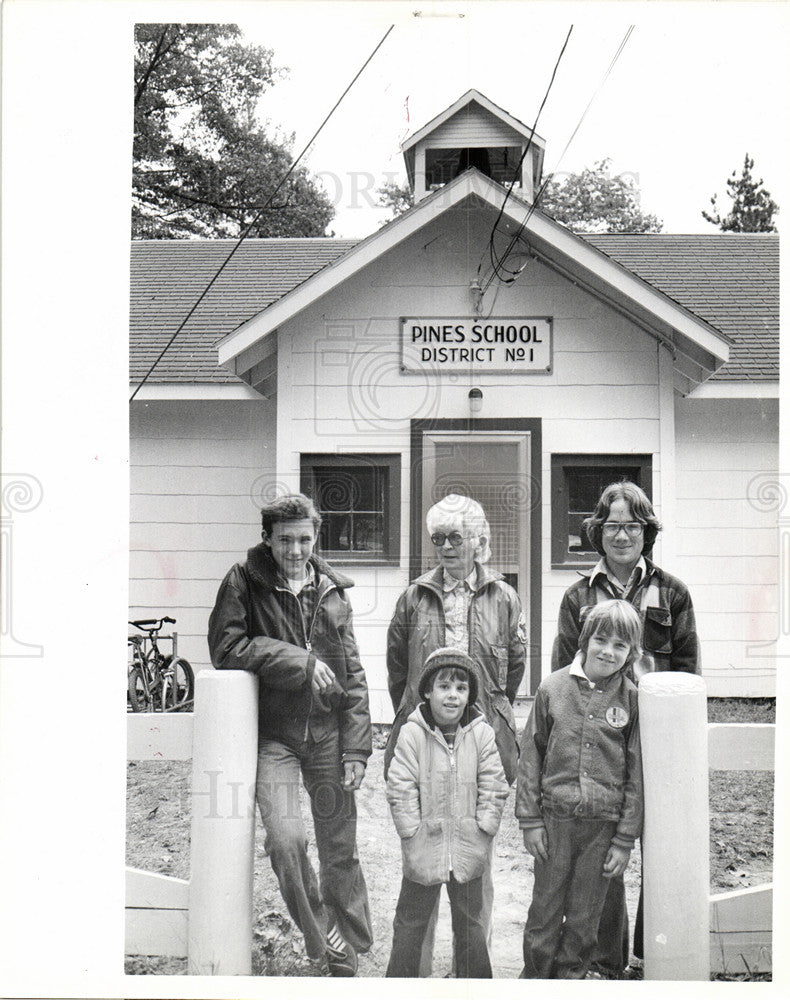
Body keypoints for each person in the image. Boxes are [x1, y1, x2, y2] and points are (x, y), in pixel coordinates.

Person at [207, 493, 373, 976]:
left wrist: (357, 747)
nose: (296, 550)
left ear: (315, 537)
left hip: (327, 735)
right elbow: (227, 645)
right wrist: (299, 661)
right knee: (286, 840)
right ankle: (322, 931)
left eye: (304, 539)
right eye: (285, 540)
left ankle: (351, 946)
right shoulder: (244, 580)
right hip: (275, 737)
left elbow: (355, 673)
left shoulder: (331, 589)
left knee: (340, 845)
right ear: (267, 538)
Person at [552, 480, 699, 978]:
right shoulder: (578, 595)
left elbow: (689, 670)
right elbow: (561, 679)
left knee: (663, 843)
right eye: (612, 525)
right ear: (598, 531)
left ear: (647, 531)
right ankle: (605, 958)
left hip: (659, 740)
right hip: (602, 743)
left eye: (632, 525)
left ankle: (654, 952)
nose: (621, 535)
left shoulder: (672, 592)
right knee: (605, 845)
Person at [385, 493, 526, 974]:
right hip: (424, 734)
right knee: (423, 849)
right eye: (438, 539)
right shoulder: (414, 596)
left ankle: (471, 971)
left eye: (455, 538)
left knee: (472, 854)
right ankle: (415, 974)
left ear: (478, 542)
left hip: (480, 734)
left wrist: (484, 713)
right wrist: (414, 716)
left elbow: (513, 667)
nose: (446, 547)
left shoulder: (503, 596)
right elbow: (398, 667)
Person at [516, 600, 644, 980]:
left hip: (603, 829)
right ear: (585, 640)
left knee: (586, 915)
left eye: (620, 645)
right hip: (555, 823)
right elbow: (530, 757)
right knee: (545, 908)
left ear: (632, 653)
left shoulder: (633, 699)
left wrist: (624, 839)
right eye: (601, 639)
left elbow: (637, 771)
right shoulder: (552, 688)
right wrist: (530, 820)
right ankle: (535, 976)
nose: (608, 651)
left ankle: (571, 977)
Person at [385, 647, 509, 978]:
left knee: (470, 925)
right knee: (411, 922)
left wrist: (484, 828)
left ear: (470, 695)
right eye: (444, 686)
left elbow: (495, 784)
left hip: (468, 849)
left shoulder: (481, 733)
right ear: (427, 690)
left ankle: (475, 988)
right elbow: (400, 786)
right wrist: (412, 832)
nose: (452, 696)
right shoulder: (413, 733)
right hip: (425, 847)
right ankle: (399, 988)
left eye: (461, 688)